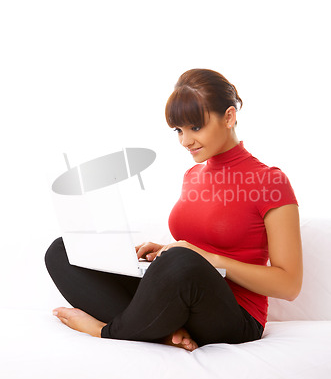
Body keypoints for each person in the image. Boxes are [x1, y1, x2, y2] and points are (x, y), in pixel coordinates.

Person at [45, 68, 303, 352]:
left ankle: (105, 331)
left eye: (195, 127)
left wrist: (203, 258)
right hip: (181, 292)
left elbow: (289, 284)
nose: (185, 141)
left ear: (229, 117)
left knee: (180, 261)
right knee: (63, 250)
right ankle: (164, 330)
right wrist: (166, 251)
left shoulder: (270, 181)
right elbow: (196, 247)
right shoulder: (193, 175)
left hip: (235, 317)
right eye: (178, 130)